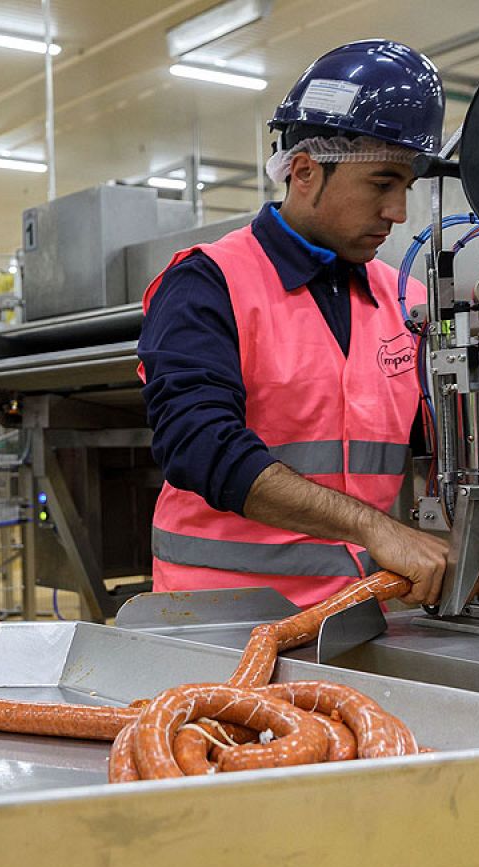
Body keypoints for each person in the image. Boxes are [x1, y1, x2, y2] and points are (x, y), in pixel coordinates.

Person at [138, 40, 451, 609]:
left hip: (359, 614)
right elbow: (201, 445)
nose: (398, 212)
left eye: (406, 187)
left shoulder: (407, 299)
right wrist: (377, 529)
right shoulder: (210, 283)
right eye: (382, 184)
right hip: (219, 619)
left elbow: (443, 443)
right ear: (305, 172)